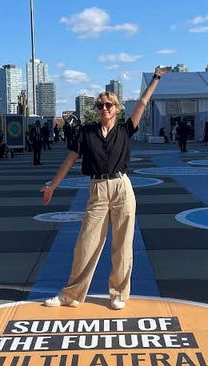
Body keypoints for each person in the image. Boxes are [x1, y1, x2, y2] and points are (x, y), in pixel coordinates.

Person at [40, 65, 172, 310]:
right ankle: (71, 295)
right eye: (100, 105)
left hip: (122, 187)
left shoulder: (125, 129)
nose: (104, 109)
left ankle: (118, 293)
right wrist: (52, 186)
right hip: (98, 189)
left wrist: (155, 78)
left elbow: (143, 102)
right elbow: (69, 160)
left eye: (108, 105)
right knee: (86, 243)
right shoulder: (86, 132)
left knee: (122, 245)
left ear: (117, 108)